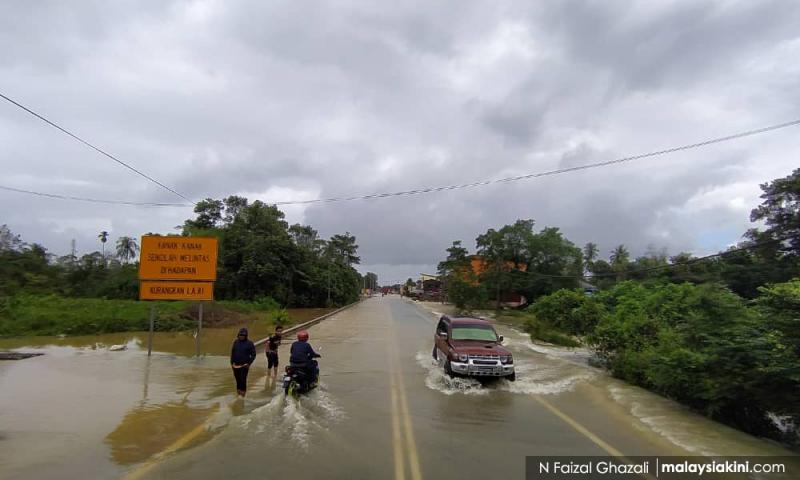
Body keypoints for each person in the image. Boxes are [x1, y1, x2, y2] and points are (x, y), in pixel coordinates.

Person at [230, 327, 256, 397]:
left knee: (243, 380)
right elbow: (232, 353)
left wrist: (249, 363)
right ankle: (238, 395)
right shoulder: (236, 342)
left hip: (244, 365)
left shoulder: (249, 343)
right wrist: (231, 363)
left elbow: (253, 355)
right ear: (238, 335)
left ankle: (243, 396)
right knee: (238, 380)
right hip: (235, 365)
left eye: (243, 335)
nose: (241, 336)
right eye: (240, 335)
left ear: (246, 336)